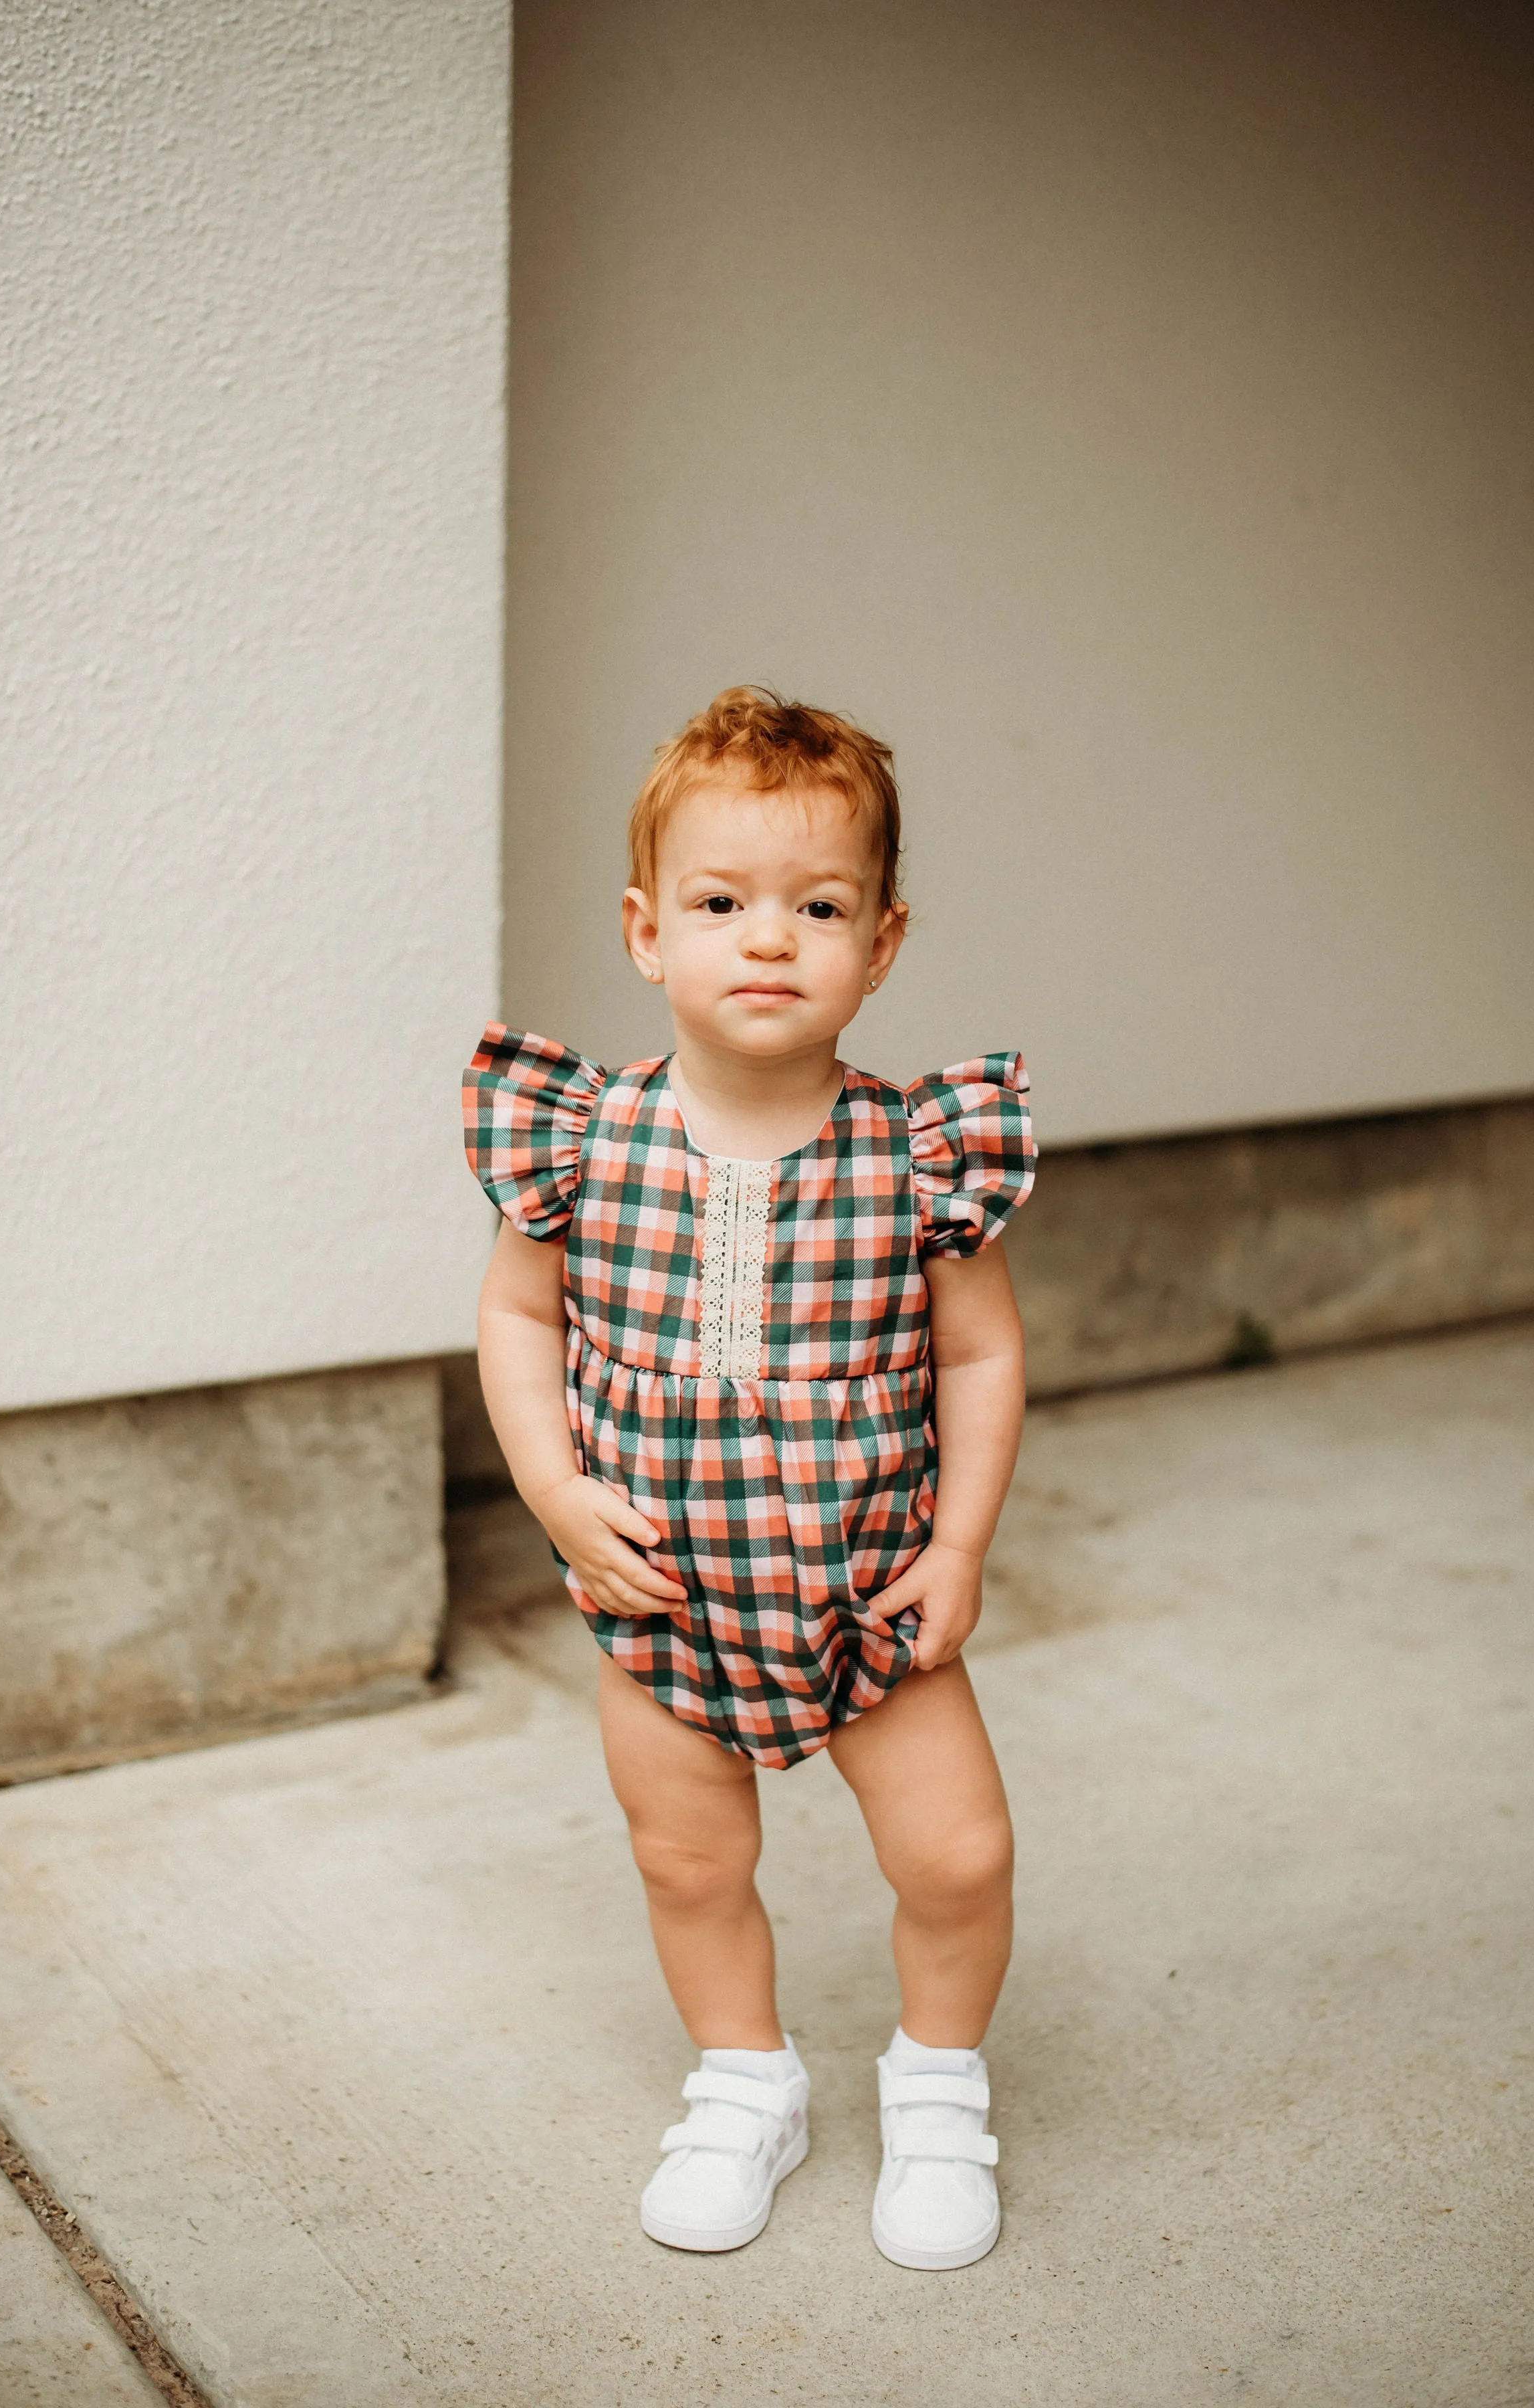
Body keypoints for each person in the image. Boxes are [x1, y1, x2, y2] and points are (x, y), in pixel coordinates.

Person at [464, 687, 1036, 2271]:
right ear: (649, 932)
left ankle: (935, 2088)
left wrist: (962, 1545)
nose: (768, 940)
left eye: (819, 906)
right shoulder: (585, 1141)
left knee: (957, 1852)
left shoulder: (916, 1154)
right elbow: (517, 1321)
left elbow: (979, 1358)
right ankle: (743, 2078)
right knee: (688, 1856)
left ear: (884, 940)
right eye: (722, 904)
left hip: (868, 1583)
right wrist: (557, 1492)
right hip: (658, 1588)